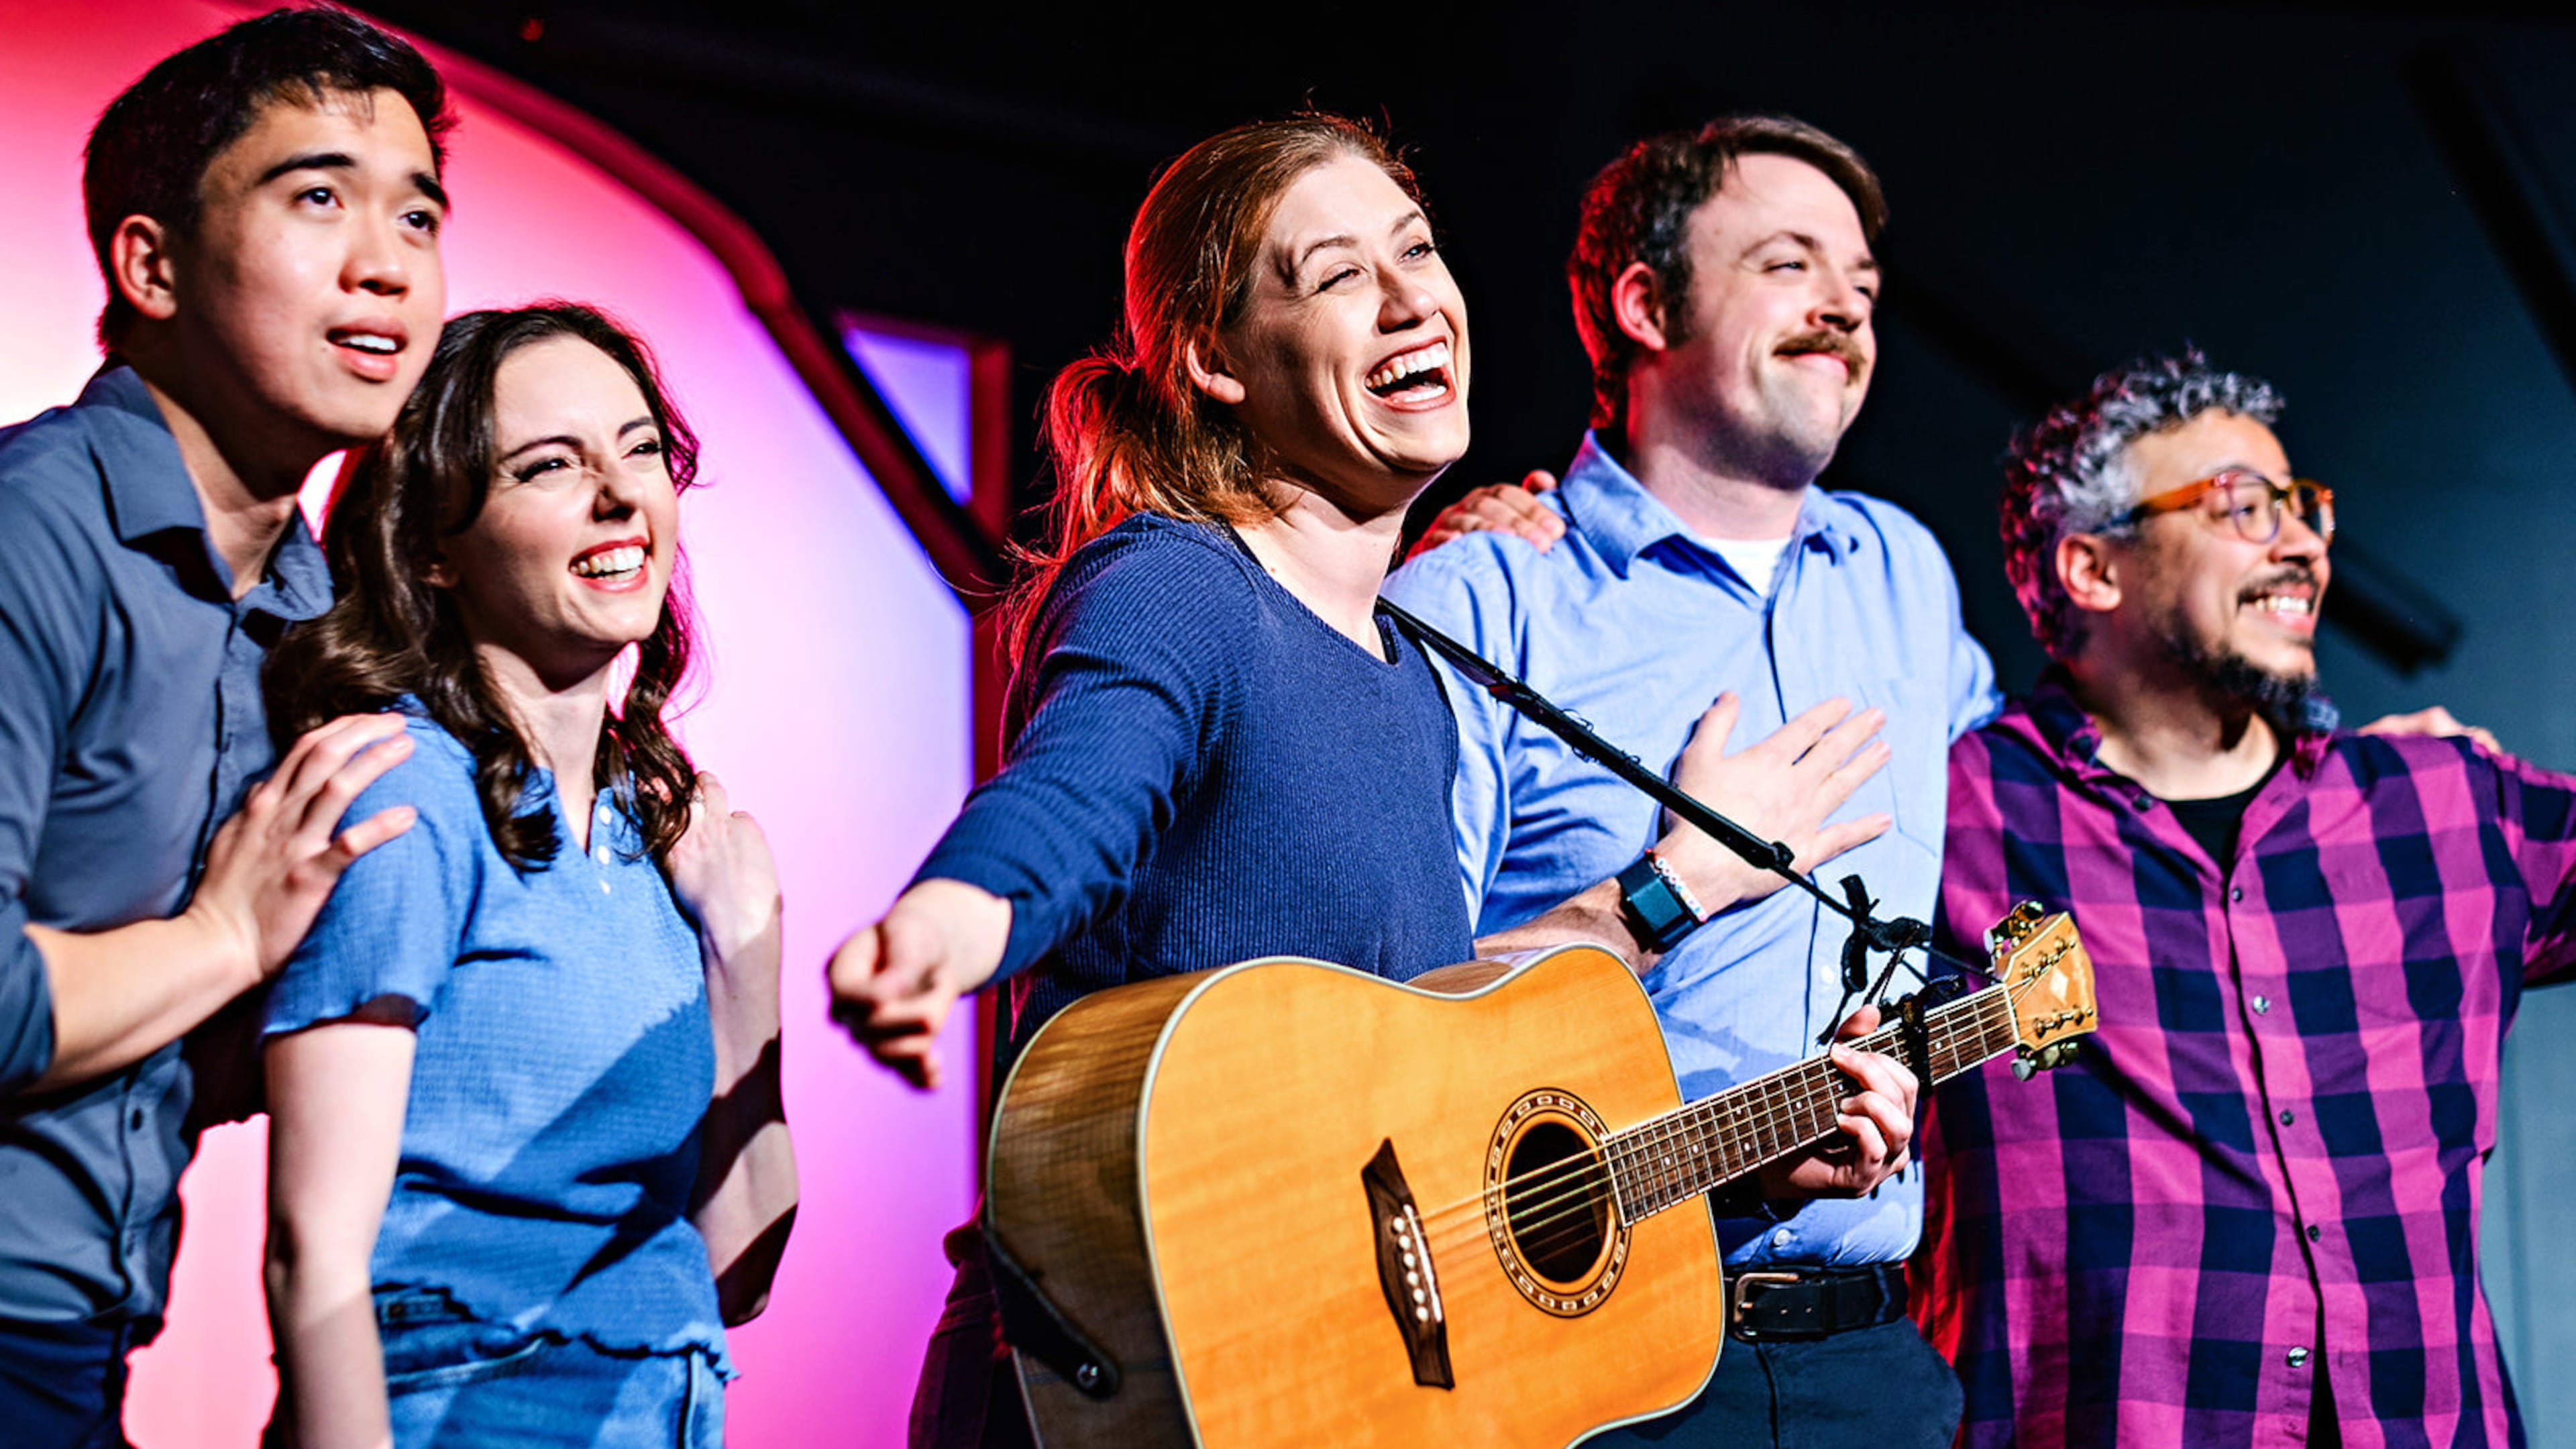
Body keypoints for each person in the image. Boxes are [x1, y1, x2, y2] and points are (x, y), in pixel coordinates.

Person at [1381, 115, 1984, 1448]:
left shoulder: (1903, 571)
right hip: (1590, 1362)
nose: (1846, 309)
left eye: (1862, 283)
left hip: (1873, 1366)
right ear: (1646, 305)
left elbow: (2063, 772)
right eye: (1790, 265)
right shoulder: (1482, 603)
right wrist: (1666, 893)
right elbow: (1389, 1014)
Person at [1915, 350, 2575, 1448]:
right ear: (2093, 568)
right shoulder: (1949, 820)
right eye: (2243, 506)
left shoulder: (2444, 805)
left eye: (2304, 508)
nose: (2303, 543)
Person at [0, 13, 450, 1442]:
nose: (387, 263)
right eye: (318, 197)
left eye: (418, 215)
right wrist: (221, 940)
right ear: (150, 266)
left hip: (80, 1337)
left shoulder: (315, 610)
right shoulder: (34, 531)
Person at [253, 305, 798, 1449]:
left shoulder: (653, 834)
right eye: (550, 466)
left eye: (639, 449)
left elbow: (737, 1273)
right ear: (433, 546)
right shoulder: (406, 793)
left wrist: (747, 957)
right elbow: (316, 1257)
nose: (619, 495)